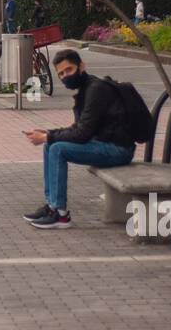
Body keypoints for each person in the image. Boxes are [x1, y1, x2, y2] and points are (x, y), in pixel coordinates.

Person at [21, 50, 136, 229]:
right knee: (50, 145)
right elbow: (80, 128)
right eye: (61, 74)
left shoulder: (96, 90)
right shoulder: (87, 89)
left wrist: (47, 136)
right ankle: (52, 205)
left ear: (82, 66)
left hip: (117, 149)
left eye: (69, 70)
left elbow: (82, 134)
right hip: (103, 142)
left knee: (57, 149)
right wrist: (49, 133)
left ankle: (60, 215)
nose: (66, 76)